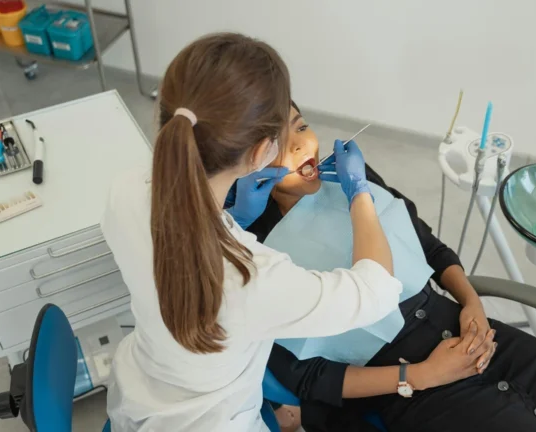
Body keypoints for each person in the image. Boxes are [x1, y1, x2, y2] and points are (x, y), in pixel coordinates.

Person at [246, 103, 536, 432]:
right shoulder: (254, 253)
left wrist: (471, 301)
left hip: (478, 337)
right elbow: (309, 378)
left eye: (301, 126)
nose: (300, 145)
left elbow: (428, 245)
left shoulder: (349, 176)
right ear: (245, 161)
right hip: (411, 388)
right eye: (276, 142)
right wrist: (420, 375)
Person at [100, 34, 406, 432]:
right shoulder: (252, 277)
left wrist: (233, 220)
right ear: (261, 153)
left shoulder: (124, 192)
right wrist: (360, 193)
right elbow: (377, 291)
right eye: (283, 135)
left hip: (141, 392)